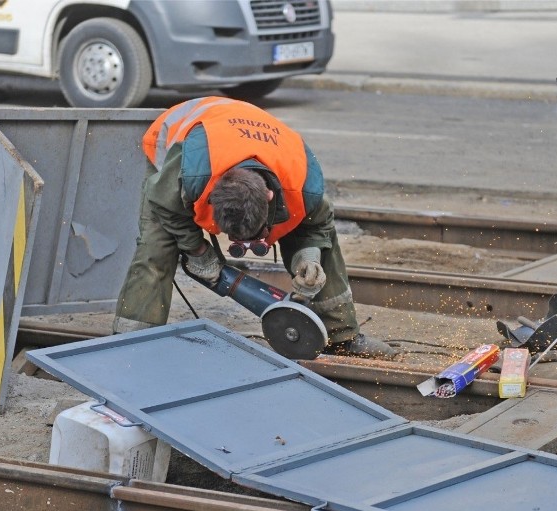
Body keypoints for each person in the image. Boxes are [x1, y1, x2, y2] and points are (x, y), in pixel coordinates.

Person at [112, 96, 398, 360]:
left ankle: (342, 337)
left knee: (325, 247)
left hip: (251, 140)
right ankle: (132, 344)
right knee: (156, 247)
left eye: (257, 239)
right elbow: (164, 204)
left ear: (270, 197)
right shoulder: (191, 175)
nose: (249, 245)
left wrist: (308, 258)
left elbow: (317, 226)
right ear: (211, 198)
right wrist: (196, 249)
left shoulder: (304, 183)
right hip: (183, 140)